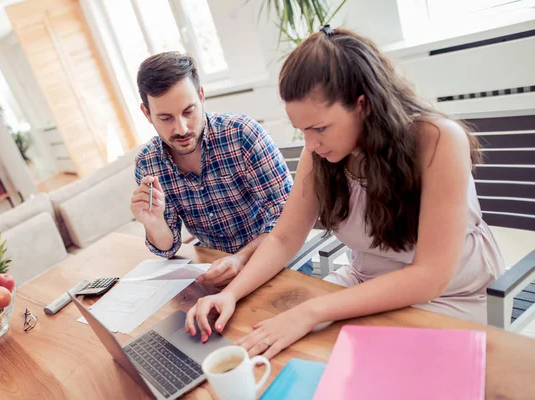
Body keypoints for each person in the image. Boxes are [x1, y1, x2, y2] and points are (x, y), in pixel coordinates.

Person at [184, 27, 505, 357]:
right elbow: (283, 238)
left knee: (371, 364)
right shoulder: (320, 151)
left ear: (363, 105)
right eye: (303, 131)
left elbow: (430, 276)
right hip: (365, 282)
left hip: (450, 295)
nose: (310, 144)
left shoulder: (439, 140)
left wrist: (313, 311)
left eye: (320, 128)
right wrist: (231, 294)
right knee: (272, 337)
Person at [130, 52, 313, 287]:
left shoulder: (242, 135)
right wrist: (154, 223)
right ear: (147, 113)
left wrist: (240, 259)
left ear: (202, 96)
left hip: (280, 264)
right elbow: (168, 249)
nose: (182, 128)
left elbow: (289, 218)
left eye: (188, 111)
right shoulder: (148, 163)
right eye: (165, 118)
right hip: (218, 277)